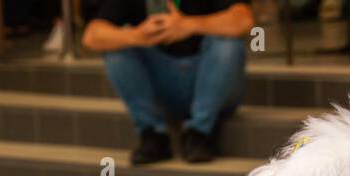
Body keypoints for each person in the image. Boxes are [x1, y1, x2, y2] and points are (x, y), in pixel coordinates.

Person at [82, 1, 253, 164]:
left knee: (227, 44)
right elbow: (91, 36)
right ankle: (152, 134)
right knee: (117, 50)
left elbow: (243, 20)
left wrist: (190, 25)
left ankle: (200, 132)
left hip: (216, 87)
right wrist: (136, 36)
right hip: (164, 90)